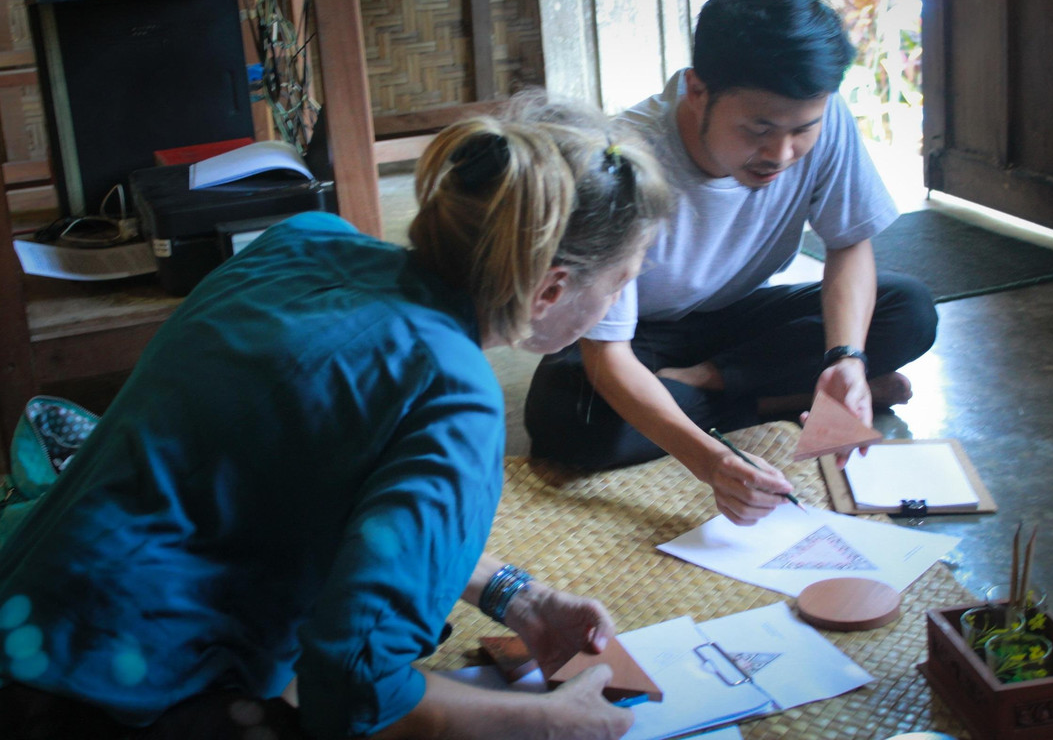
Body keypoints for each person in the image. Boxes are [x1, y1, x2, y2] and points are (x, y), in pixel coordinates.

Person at [0, 100, 671, 740]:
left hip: (27, 610)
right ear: (552, 287)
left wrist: (516, 597)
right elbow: (352, 689)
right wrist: (554, 724)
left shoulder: (300, 242)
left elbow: (312, 483)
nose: (621, 298)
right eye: (620, 282)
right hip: (94, 706)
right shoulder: (455, 394)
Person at [525, 0, 938, 526]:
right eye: (757, 129)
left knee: (907, 309)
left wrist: (846, 357)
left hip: (737, 322)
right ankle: (777, 401)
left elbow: (849, 247)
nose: (782, 152)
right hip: (637, 336)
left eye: (802, 130)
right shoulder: (625, 158)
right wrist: (711, 460)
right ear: (697, 91)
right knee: (569, 421)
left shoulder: (822, 118)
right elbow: (607, 353)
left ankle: (717, 384)